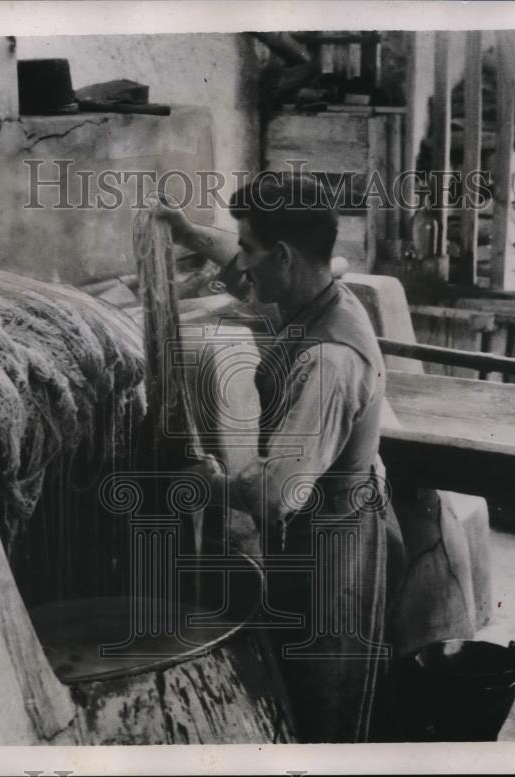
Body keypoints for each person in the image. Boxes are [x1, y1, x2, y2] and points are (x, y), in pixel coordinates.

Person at [150, 173, 405, 743]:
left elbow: (275, 493)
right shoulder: (311, 295)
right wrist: (187, 231)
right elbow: (244, 263)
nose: (242, 264)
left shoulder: (330, 360)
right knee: (301, 679)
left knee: (325, 703)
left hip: (336, 544)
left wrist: (209, 479)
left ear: (285, 256)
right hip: (316, 529)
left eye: (251, 250)